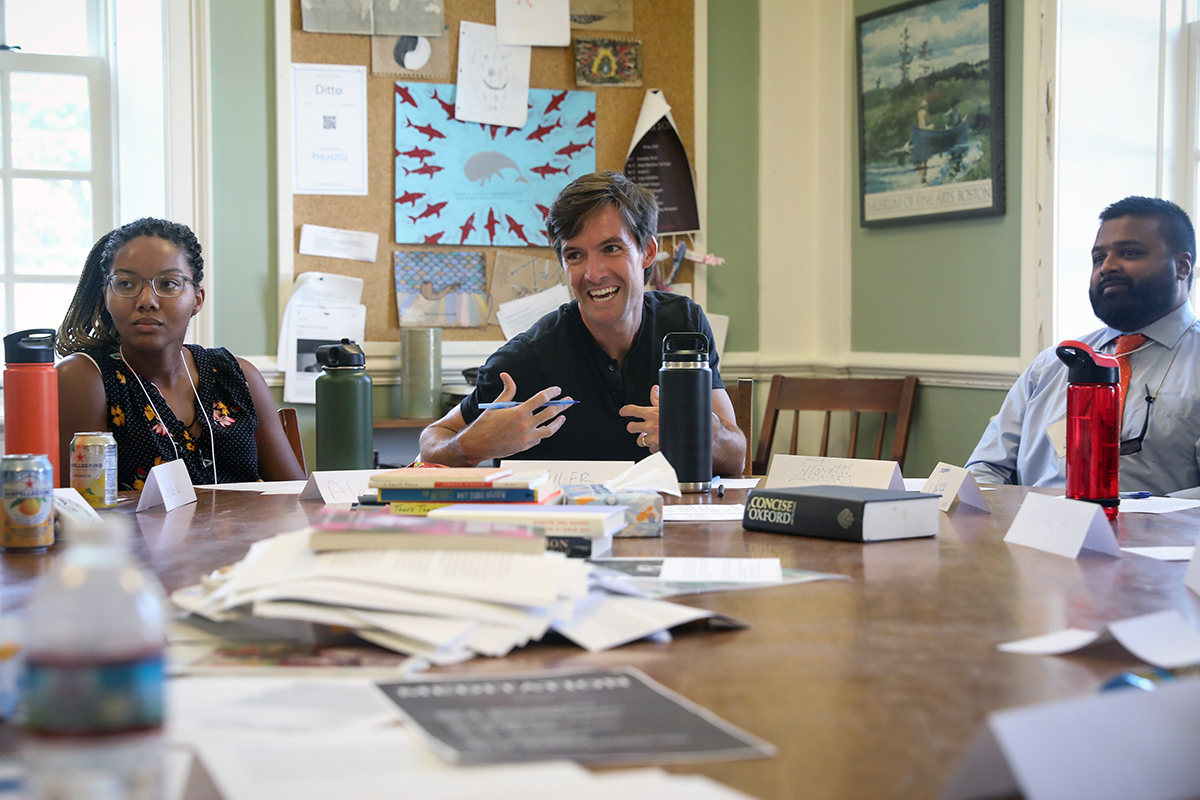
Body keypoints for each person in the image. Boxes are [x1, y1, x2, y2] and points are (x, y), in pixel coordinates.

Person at [419, 172, 746, 475]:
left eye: (611, 248)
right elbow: (433, 441)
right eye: (575, 255)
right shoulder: (523, 361)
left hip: (674, 527)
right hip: (557, 531)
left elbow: (736, 456)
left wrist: (705, 432)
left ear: (647, 252)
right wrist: (470, 446)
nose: (593, 273)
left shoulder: (684, 325)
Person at [966, 196, 1200, 495]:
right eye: (1098, 258)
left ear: (1182, 266)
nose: (1108, 267)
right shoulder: (1051, 364)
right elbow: (987, 468)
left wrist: (1140, 517)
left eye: (1129, 253)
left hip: (1155, 538)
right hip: (1033, 531)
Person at [56, 218, 306, 489]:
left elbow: (294, 495)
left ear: (197, 299)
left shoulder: (238, 376)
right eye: (126, 284)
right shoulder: (83, 379)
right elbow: (82, 511)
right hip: (138, 533)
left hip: (256, 532)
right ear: (107, 296)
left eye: (168, 284)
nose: (146, 301)